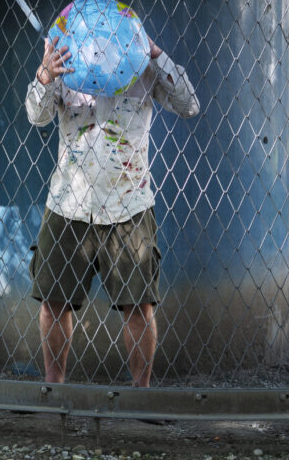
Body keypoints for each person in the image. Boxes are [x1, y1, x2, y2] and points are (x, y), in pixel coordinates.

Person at [24, 31, 199, 386]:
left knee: (139, 306)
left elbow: (189, 104)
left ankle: (140, 393)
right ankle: (53, 386)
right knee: (53, 303)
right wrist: (45, 74)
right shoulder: (66, 66)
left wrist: (155, 55)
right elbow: (36, 116)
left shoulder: (141, 68)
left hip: (128, 204)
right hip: (68, 203)